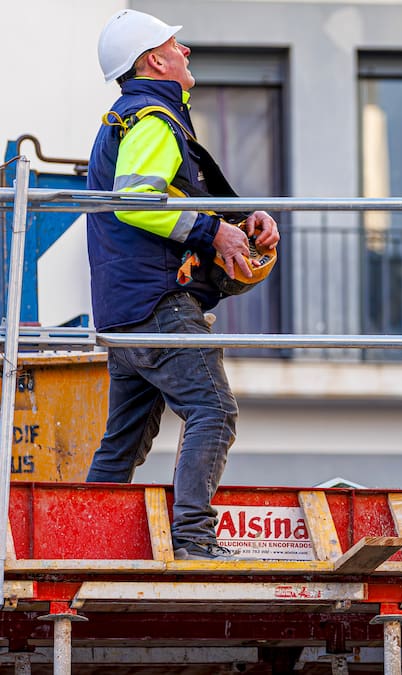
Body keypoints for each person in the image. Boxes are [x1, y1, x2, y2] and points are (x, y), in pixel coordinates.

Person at [84, 9, 280, 560]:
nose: (186, 51)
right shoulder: (152, 118)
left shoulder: (133, 118)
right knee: (213, 410)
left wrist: (238, 220)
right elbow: (135, 200)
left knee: (123, 440)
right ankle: (194, 540)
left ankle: (88, 542)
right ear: (154, 60)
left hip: (126, 310)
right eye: (176, 44)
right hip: (158, 303)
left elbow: (155, 197)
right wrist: (213, 230)